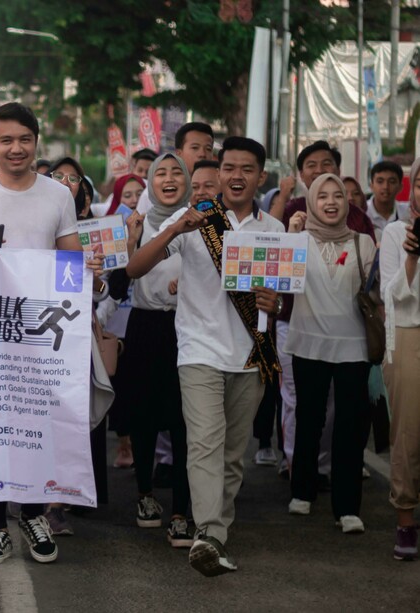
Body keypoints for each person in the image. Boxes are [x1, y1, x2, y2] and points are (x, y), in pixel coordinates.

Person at [0, 102, 109, 566]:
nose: (16, 148)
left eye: (24, 139)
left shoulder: (58, 195)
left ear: (36, 142)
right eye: (6, 140)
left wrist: (90, 276)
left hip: (39, 333)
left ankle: (34, 515)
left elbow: (69, 262)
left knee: (36, 424)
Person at [127, 136, 284, 577]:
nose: (236, 176)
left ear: (260, 176)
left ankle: (216, 533)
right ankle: (209, 534)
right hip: (197, 350)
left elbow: (281, 298)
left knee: (234, 453)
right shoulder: (193, 219)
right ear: (217, 176)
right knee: (203, 444)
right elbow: (136, 268)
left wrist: (275, 304)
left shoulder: (273, 229)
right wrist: (177, 229)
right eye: (229, 168)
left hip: (251, 354)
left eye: (245, 169)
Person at [276, 142, 376, 480]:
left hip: (351, 338)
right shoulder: (292, 215)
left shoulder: (360, 224)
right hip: (298, 326)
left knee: (343, 413)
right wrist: (292, 234)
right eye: (312, 165)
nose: (320, 171)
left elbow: (372, 281)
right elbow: (280, 274)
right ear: (302, 174)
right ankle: (299, 473)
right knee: (304, 408)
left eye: (327, 164)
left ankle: (335, 472)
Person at [120, 153, 194, 547]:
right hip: (147, 326)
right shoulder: (135, 223)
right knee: (144, 418)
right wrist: (131, 242)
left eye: (175, 173)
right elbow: (120, 281)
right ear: (150, 182)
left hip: (188, 328)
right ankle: (145, 495)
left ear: (187, 181)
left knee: (186, 420)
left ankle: (181, 512)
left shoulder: (201, 222)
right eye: (160, 173)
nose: (168, 179)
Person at [383, 158, 420, 561]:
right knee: (408, 429)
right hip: (409, 332)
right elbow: (393, 294)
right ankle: (406, 519)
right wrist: (412, 255)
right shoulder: (396, 232)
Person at [137, 123, 214, 215]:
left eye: (208, 149)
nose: (202, 154)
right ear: (179, 153)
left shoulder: (220, 190)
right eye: (195, 148)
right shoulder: (154, 193)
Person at [367, 161, 410, 237]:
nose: (385, 187)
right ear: (371, 186)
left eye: (392, 182)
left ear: (400, 187)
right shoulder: (362, 212)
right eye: (380, 181)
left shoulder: (408, 213)